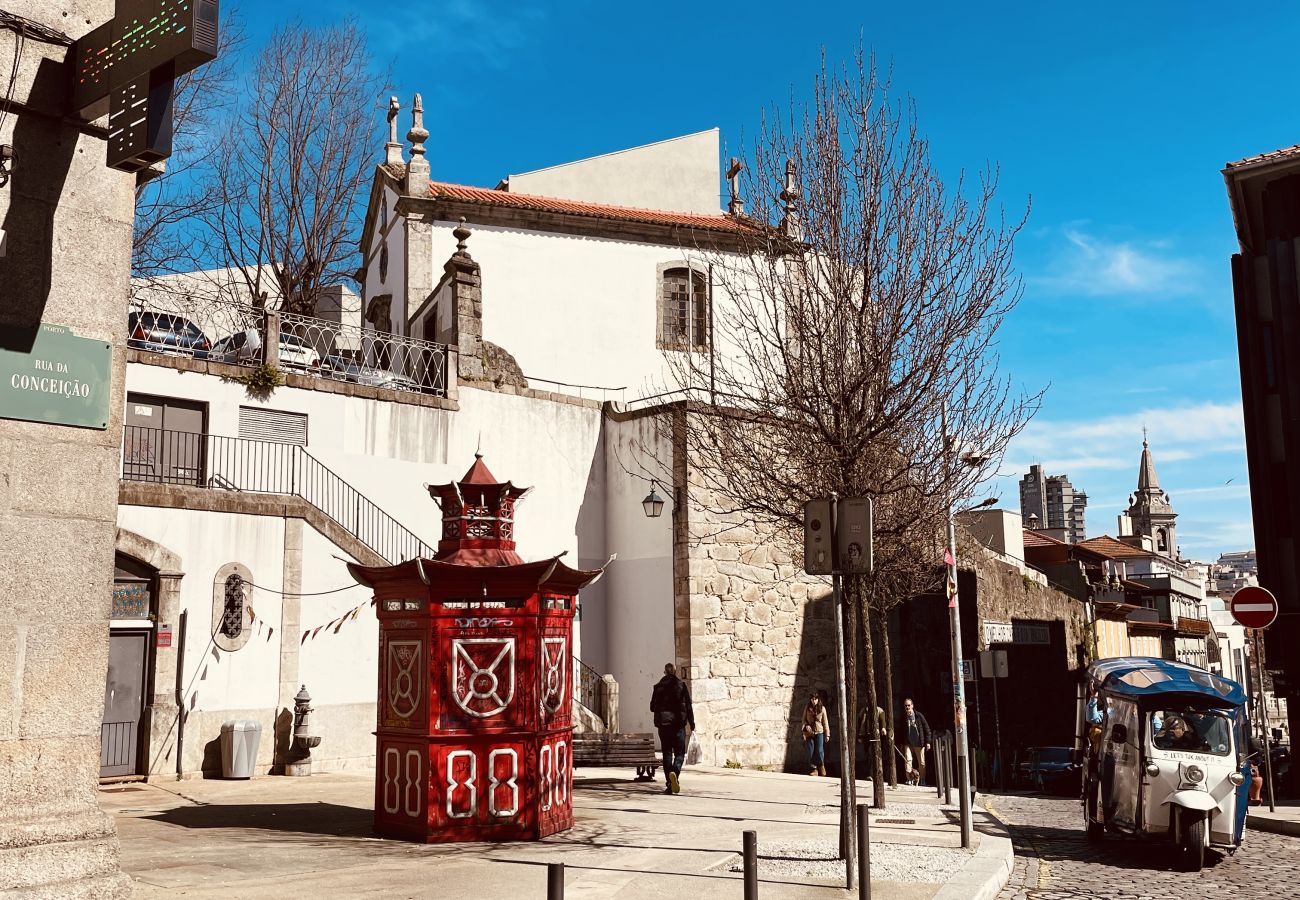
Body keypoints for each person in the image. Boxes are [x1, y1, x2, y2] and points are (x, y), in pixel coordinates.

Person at [650, 662, 695, 794]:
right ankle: (674, 772)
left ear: (664, 672)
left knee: (667, 754)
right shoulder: (681, 685)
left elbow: (652, 707)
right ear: (675, 672)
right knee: (680, 754)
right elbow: (688, 706)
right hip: (678, 725)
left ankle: (669, 784)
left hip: (663, 725)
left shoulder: (658, 687)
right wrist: (692, 724)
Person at [898, 698, 932, 786]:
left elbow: (926, 728)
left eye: (909, 705)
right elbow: (901, 731)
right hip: (908, 742)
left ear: (912, 706)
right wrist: (901, 744)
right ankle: (909, 778)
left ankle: (922, 779)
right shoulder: (903, 717)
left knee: (921, 762)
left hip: (919, 742)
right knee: (908, 759)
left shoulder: (918, 716)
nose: (907, 707)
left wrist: (928, 742)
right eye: (905, 706)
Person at [801, 693, 831, 776]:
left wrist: (827, 734)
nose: (814, 701)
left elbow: (825, 722)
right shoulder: (807, 708)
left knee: (819, 750)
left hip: (819, 732)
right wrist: (806, 726)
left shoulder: (822, 708)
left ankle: (821, 766)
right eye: (812, 699)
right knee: (811, 750)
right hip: (809, 732)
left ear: (818, 699)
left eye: (815, 699)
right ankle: (814, 769)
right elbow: (803, 719)